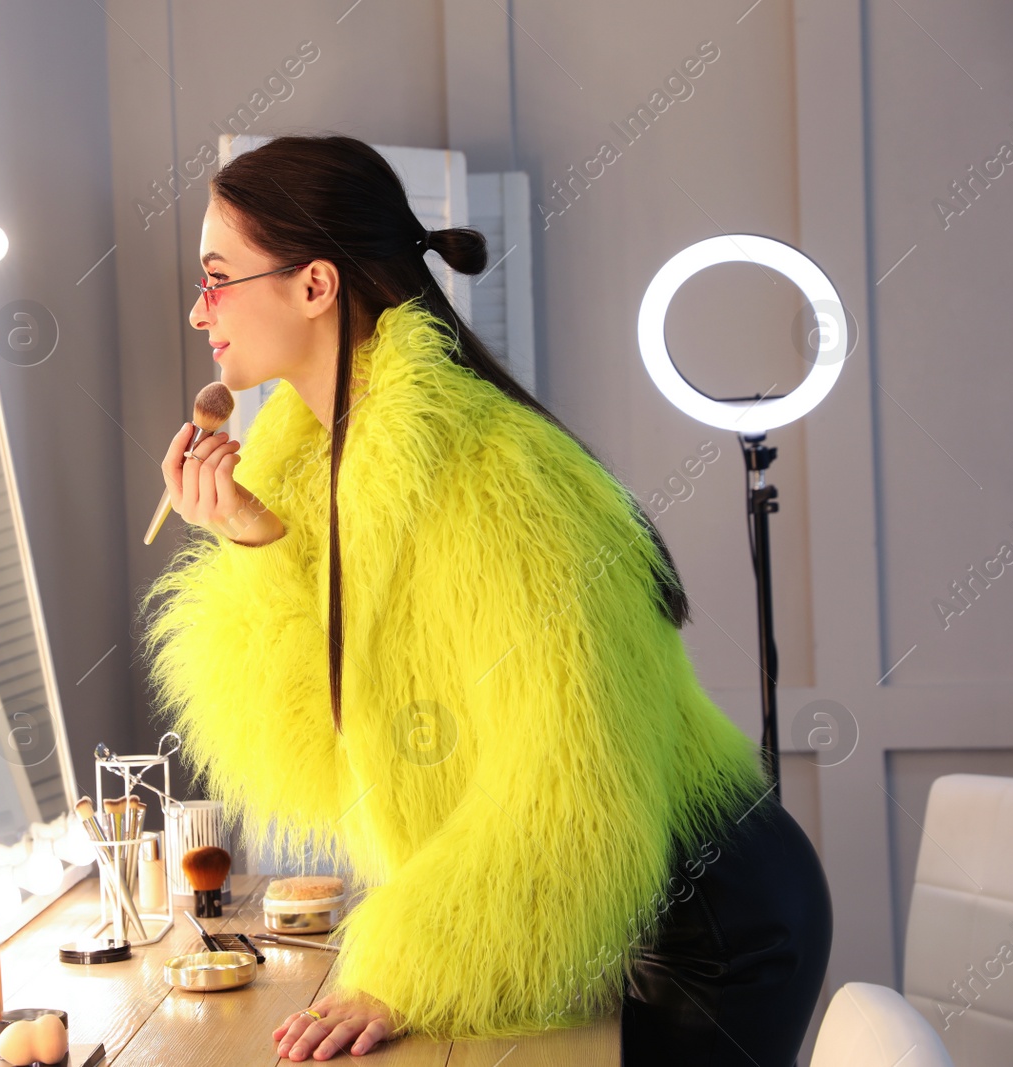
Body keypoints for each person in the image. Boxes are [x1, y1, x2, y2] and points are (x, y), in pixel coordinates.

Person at [137, 135, 831, 1064]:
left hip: (715, 923)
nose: (197, 311)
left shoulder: (500, 477)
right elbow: (315, 755)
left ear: (315, 285)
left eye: (217, 279)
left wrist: (408, 963)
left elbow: (573, 783)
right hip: (615, 905)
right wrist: (254, 543)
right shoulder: (311, 464)